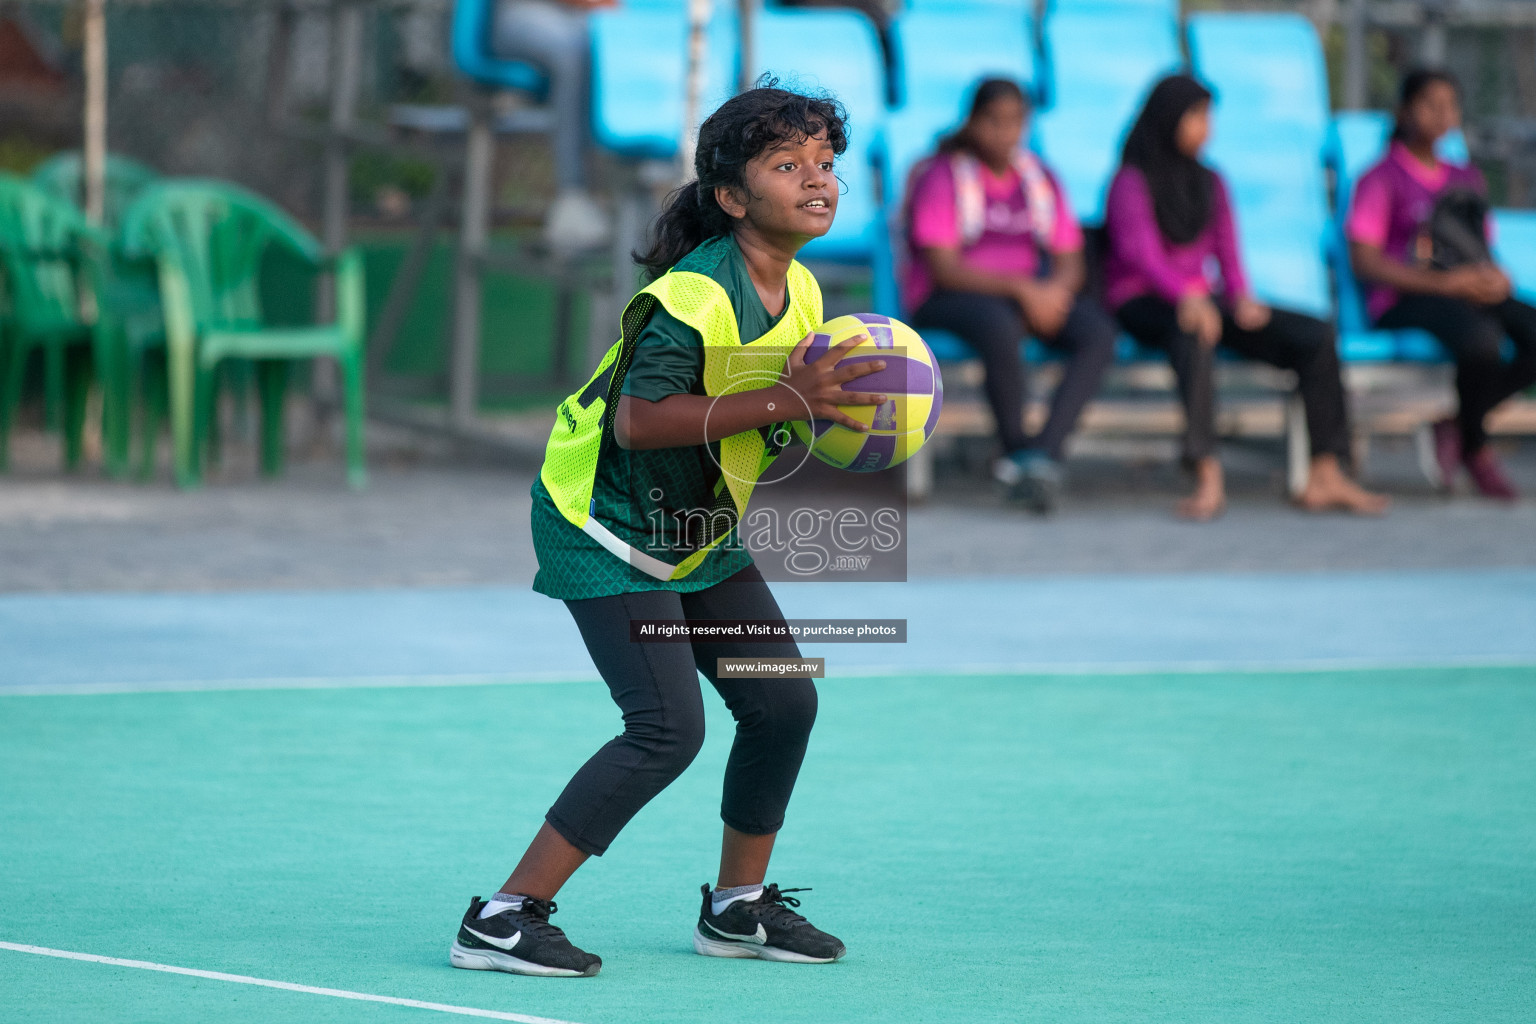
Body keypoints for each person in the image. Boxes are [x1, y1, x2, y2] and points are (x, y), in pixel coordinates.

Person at [448, 82, 881, 978]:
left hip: (694, 524)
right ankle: (502, 916)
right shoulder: (694, 292)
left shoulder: (799, 291)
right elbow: (640, 421)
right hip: (603, 522)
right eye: (788, 165)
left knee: (782, 702)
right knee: (664, 729)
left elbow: (759, 414)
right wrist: (784, 400)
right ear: (732, 197)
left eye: (827, 164)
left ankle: (736, 910)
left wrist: (828, 419)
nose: (818, 181)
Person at [1104, 74, 1389, 520]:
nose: (1206, 128)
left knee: (1313, 335)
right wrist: (1186, 298)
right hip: (1142, 300)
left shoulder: (1212, 180)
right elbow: (1139, 254)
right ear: (1168, 118)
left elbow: (1227, 249)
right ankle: (1207, 472)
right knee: (1193, 334)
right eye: (1196, 117)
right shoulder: (1130, 181)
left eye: (1208, 117)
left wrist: (1241, 297)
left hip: (1203, 298)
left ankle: (1326, 471)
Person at [904, 78, 1118, 512]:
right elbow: (944, 269)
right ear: (973, 122)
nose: (1004, 133)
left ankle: (1043, 455)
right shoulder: (944, 176)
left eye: (1015, 123)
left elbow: (1070, 258)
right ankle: (1016, 452)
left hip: (1025, 297)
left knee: (1097, 332)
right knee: (998, 326)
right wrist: (1024, 290)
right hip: (951, 297)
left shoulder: (1039, 178)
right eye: (994, 122)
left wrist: (1052, 293)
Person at [1347, 68, 1536, 501]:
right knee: (1480, 341)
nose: (1441, 114)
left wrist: (1494, 276)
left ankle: (1459, 423)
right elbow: (1366, 260)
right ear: (1404, 111)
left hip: (1466, 292)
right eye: (1430, 104)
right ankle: (1477, 447)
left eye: (1449, 105)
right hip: (1406, 297)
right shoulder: (1379, 178)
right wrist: (1445, 285)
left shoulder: (1465, 177)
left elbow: (1481, 246)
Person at [493, 0, 612, 251]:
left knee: (608, 39)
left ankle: (619, 195)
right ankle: (573, 196)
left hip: (577, 17)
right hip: (519, 11)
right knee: (574, 45)